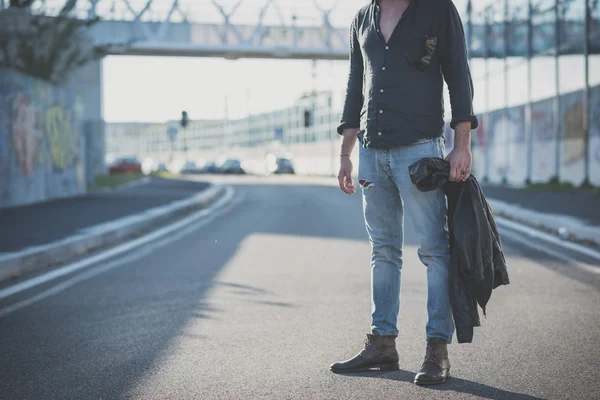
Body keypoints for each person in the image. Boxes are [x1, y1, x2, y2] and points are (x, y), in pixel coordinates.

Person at [331, 0, 478, 385]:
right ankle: (382, 342)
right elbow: (354, 84)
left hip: (419, 152)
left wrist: (461, 144)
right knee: (383, 249)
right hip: (369, 152)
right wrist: (345, 153)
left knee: (433, 250)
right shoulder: (362, 18)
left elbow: (458, 75)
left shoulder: (438, 10)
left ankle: (436, 349)